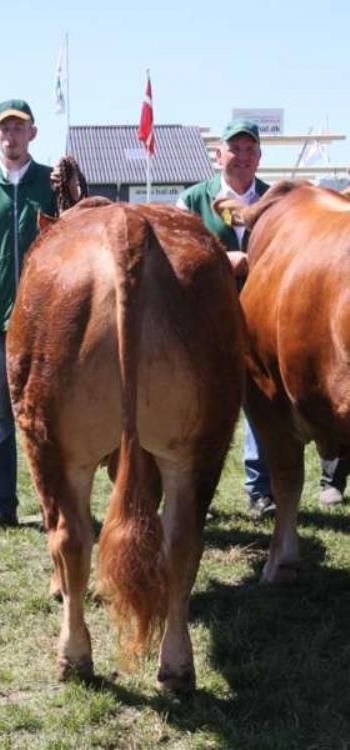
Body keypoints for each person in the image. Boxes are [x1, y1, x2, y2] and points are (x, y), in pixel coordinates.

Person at [0, 98, 82, 534]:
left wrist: (75, 200)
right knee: (0, 417)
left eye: (19, 128)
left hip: (47, 321)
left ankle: (61, 505)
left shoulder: (52, 184)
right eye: (4, 128)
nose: (12, 135)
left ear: (33, 133)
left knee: (54, 413)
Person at [177, 119, 274, 519]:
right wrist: (223, 260)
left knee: (263, 403)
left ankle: (260, 490)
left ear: (259, 156)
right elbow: (178, 255)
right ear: (218, 155)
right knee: (204, 406)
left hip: (263, 318)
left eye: (250, 149)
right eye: (234, 149)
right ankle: (197, 491)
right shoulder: (192, 200)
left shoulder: (274, 199)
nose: (243, 157)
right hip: (208, 320)